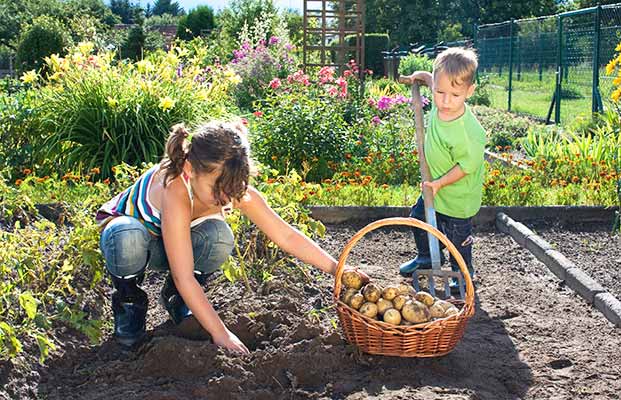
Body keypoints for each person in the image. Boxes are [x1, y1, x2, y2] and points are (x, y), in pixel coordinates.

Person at [96, 120, 368, 353]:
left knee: (219, 235)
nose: (226, 198)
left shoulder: (229, 188)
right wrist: (221, 334)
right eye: (219, 189)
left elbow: (285, 235)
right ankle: (129, 302)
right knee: (126, 235)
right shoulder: (176, 189)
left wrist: (338, 269)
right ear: (191, 171)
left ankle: (178, 298)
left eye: (234, 188)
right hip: (133, 243)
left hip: (175, 244)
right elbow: (183, 274)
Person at [397, 47, 486, 288]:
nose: (445, 101)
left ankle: (464, 274)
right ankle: (425, 258)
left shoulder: (469, 132)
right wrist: (422, 76)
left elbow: (465, 168)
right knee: (419, 219)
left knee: (458, 240)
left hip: (458, 197)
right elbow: (432, 80)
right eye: (439, 91)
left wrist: (439, 183)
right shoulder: (442, 101)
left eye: (454, 95)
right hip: (434, 187)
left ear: (469, 91)